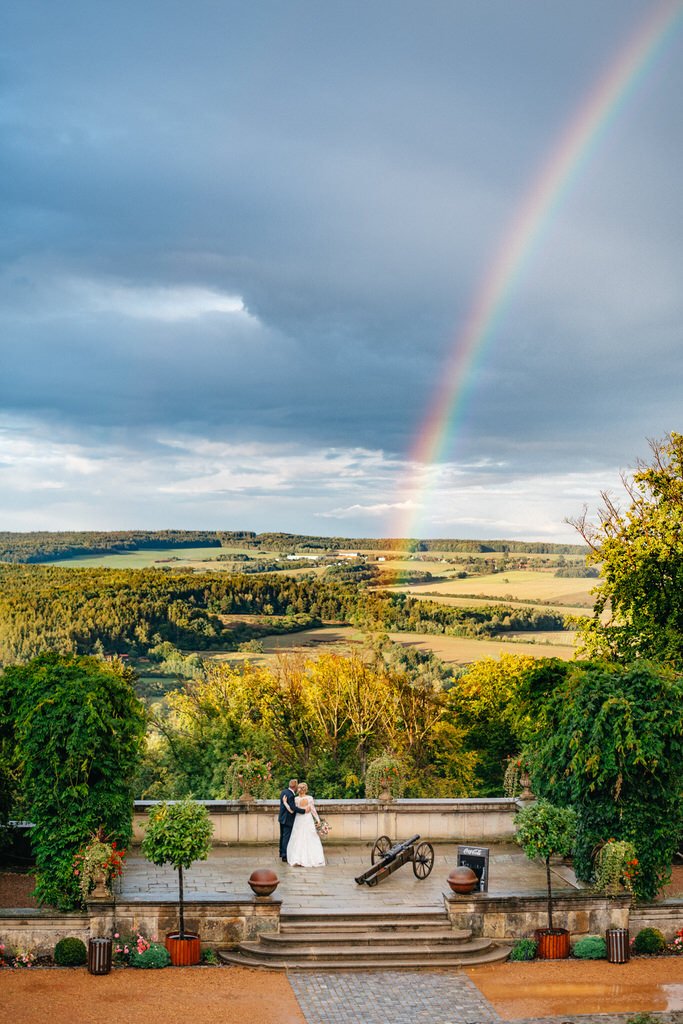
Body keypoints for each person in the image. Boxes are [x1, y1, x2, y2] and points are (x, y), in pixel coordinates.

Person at [286, 782, 325, 867]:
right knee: (301, 836)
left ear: (302, 790)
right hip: (304, 819)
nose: (298, 789)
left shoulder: (298, 799)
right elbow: (313, 810)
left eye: (299, 788)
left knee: (306, 836)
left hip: (303, 819)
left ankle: (299, 858)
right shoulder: (307, 798)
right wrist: (317, 820)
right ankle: (301, 858)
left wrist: (285, 803)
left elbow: (292, 810)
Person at [278, 778, 307, 861]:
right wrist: (304, 811)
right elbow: (293, 808)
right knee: (286, 837)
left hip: (282, 818)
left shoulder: (284, 791)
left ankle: (281, 852)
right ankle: (284, 855)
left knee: (282, 836)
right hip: (288, 819)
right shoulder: (291, 795)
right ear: (295, 786)